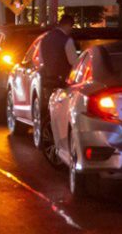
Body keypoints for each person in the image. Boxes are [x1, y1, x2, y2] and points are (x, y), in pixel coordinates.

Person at [36, 13, 77, 146]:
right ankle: (61, 140)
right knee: (62, 113)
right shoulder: (67, 40)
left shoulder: (45, 39)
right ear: (69, 25)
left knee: (48, 111)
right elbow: (74, 62)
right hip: (62, 81)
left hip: (47, 80)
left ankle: (46, 139)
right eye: (72, 27)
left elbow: (41, 60)